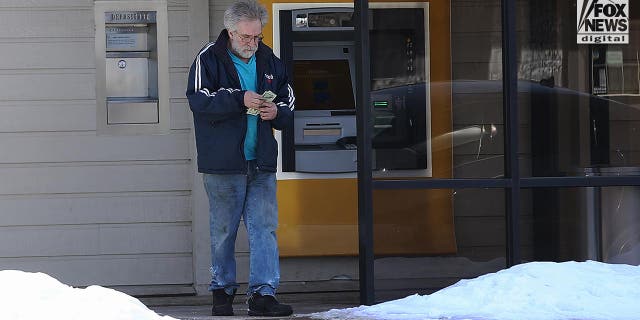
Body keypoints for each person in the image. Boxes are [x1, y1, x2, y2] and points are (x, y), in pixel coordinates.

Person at [185, 0, 295, 317]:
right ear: (231, 32)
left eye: (257, 37)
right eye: (246, 37)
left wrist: (277, 112)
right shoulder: (208, 58)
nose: (252, 44)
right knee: (223, 231)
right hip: (223, 165)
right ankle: (222, 293)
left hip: (260, 161)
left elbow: (288, 98)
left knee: (264, 229)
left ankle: (263, 295)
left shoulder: (269, 59)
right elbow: (197, 99)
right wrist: (239, 97)